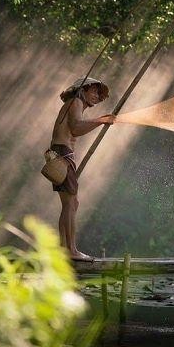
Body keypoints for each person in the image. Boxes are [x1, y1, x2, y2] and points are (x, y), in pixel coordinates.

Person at [50, 77, 115, 260]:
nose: (95, 95)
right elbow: (76, 128)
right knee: (70, 203)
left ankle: (63, 249)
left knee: (72, 203)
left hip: (62, 154)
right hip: (62, 153)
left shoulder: (74, 104)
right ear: (82, 90)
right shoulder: (76, 101)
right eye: (92, 91)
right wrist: (101, 120)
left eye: (97, 92)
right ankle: (71, 251)